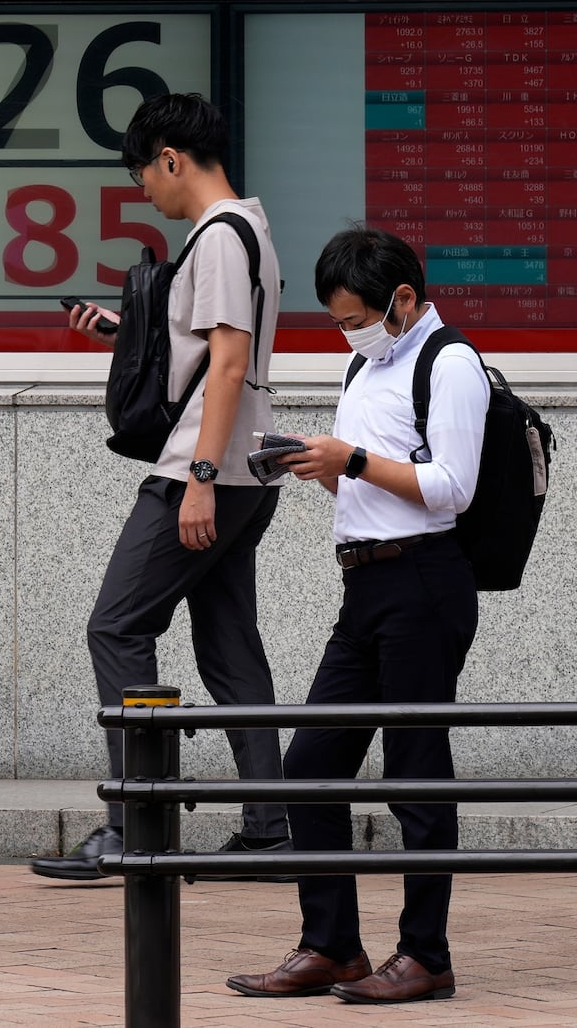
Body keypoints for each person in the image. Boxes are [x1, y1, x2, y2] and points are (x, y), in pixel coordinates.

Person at [30, 93, 290, 881]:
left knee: (116, 625)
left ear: (171, 157)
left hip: (201, 469)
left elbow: (231, 362)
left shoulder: (214, 237)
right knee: (231, 647)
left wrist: (200, 479)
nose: (145, 187)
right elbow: (203, 352)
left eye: (144, 171)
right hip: (250, 469)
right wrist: (118, 331)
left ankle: (137, 822)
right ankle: (271, 828)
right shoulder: (253, 229)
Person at [227, 228, 487, 1004]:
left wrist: (351, 461)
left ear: (403, 299)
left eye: (356, 318)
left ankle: (426, 955)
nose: (349, 332)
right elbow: (369, 483)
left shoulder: (452, 365)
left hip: (425, 582)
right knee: (310, 766)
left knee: (415, 772)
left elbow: (451, 488)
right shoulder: (364, 364)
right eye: (339, 321)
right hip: (364, 586)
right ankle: (333, 943)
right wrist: (320, 467)